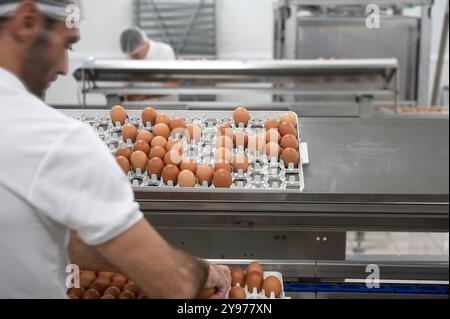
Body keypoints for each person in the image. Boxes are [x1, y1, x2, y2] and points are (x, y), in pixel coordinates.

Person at [0, 0, 230, 299]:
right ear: (27, 21)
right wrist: (198, 272)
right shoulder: (55, 139)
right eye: (67, 44)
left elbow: (69, 246)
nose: (64, 67)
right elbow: (176, 285)